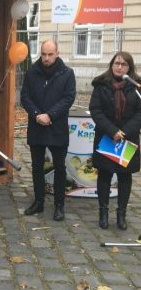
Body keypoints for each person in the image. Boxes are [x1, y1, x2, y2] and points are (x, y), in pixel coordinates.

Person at [20, 39, 76, 221]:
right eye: (43, 54)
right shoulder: (31, 72)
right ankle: (39, 202)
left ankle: (59, 205)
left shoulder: (67, 73)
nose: (46, 58)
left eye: (50, 54)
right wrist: (37, 114)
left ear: (57, 53)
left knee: (59, 167)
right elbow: (25, 97)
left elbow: (68, 98)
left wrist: (50, 115)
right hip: (36, 126)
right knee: (37, 167)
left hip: (57, 127)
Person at [89, 51, 141, 230]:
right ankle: (103, 212)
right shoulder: (101, 84)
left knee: (124, 176)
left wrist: (124, 132)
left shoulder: (136, 86)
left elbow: (139, 113)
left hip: (128, 138)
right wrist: (112, 131)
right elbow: (95, 110)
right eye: (116, 63)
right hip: (106, 136)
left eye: (123, 64)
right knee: (104, 174)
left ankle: (121, 214)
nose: (119, 67)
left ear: (129, 67)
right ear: (111, 65)